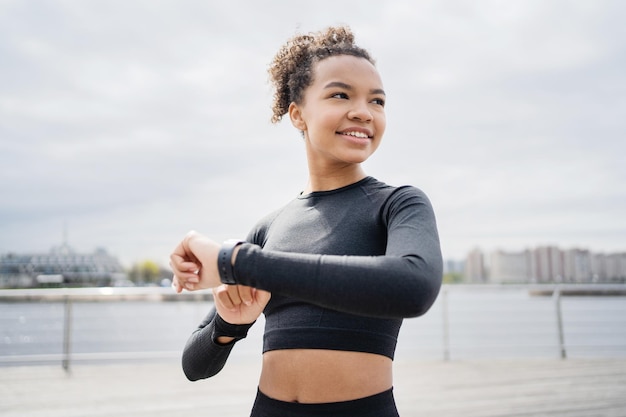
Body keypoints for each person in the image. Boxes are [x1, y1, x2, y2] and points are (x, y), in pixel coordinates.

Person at [170, 25, 443, 417]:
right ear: (297, 114)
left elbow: (413, 286)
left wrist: (235, 262)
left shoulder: (398, 204)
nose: (363, 111)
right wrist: (228, 327)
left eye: (377, 101)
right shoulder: (268, 229)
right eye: (340, 94)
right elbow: (194, 366)